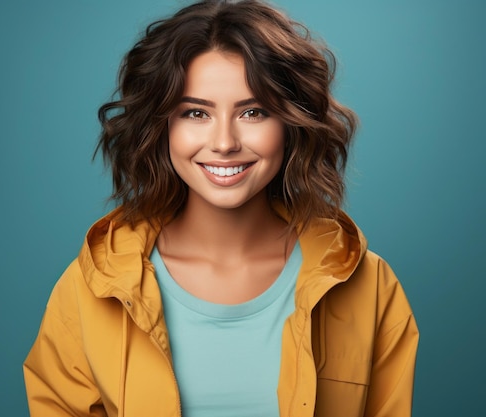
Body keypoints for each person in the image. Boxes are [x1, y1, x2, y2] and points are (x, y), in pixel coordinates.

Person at [23, 0, 419, 416]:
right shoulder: (91, 287)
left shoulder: (370, 286)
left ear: (290, 124)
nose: (225, 142)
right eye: (196, 112)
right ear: (162, 128)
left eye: (253, 111)